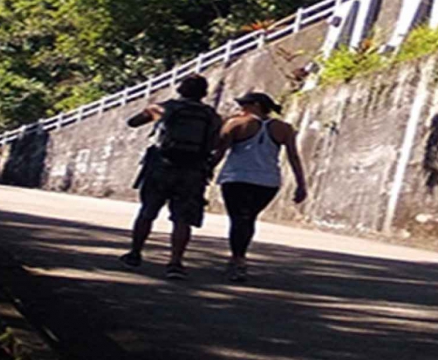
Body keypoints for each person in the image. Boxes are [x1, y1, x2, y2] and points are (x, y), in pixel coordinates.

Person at [119, 74, 222, 279]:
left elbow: (133, 122)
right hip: (193, 170)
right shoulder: (211, 115)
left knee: (147, 211)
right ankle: (175, 262)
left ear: (180, 89)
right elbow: (215, 143)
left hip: (161, 166)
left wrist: (151, 111)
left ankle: (135, 253)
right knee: (182, 219)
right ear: (204, 92)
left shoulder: (165, 107)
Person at [215, 91, 308, 282]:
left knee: (238, 219)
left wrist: (205, 170)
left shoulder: (236, 124)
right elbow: (293, 157)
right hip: (267, 182)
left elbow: (220, 151)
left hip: (236, 178)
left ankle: (238, 260)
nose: (241, 108)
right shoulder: (284, 128)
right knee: (248, 218)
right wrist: (301, 184)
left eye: (244, 104)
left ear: (256, 105)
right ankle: (239, 258)